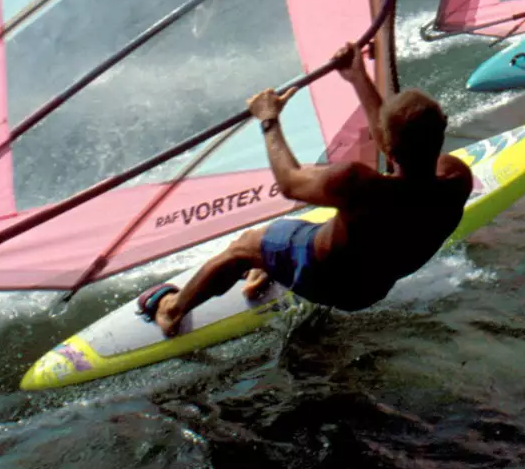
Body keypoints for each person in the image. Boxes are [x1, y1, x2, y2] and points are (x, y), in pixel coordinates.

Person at [140, 44, 471, 335]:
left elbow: (290, 183)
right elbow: (396, 144)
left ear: (391, 148)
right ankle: (267, 266)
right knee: (320, 228)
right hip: (370, 289)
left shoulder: (358, 185)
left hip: (321, 276)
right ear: (442, 124)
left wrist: (269, 120)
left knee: (244, 246)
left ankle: (172, 308)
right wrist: (358, 77)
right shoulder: (455, 180)